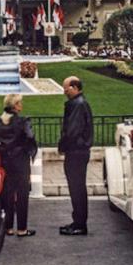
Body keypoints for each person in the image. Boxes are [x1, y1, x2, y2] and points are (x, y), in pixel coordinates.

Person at [0, 93, 38, 237]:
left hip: (5, 159)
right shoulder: (23, 121)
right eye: (20, 103)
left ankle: (8, 227)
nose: (22, 105)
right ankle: (22, 229)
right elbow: (30, 137)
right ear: (16, 105)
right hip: (21, 160)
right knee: (22, 194)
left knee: (7, 193)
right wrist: (27, 149)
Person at [59, 76, 93, 236]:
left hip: (76, 152)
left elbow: (72, 131)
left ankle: (79, 224)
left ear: (74, 87)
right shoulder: (80, 103)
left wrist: (63, 146)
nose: (64, 91)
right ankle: (78, 222)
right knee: (77, 188)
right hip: (79, 151)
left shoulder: (77, 105)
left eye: (66, 88)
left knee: (77, 188)